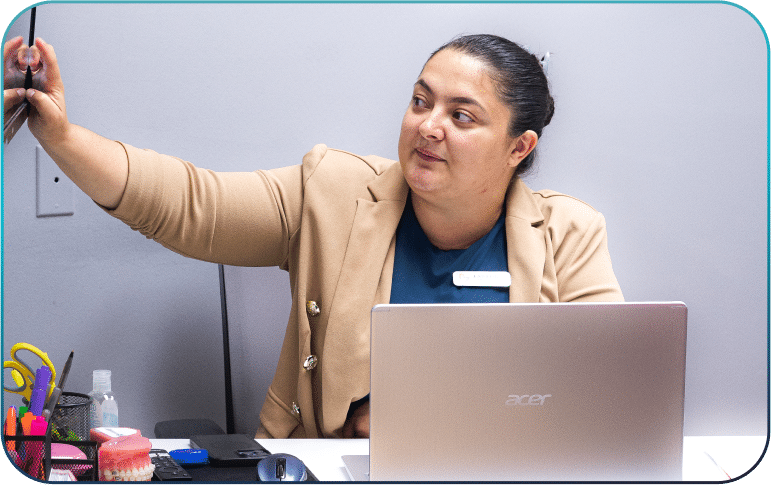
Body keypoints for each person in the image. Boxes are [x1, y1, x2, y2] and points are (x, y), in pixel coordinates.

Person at [4, 33, 623, 439]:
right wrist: (60, 135)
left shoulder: (569, 233)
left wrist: (413, 422)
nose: (428, 127)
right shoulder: (332, 191)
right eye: (419, 101)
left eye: (461, 116)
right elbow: (190, 205)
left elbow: (604, 401)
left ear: (519, 147)